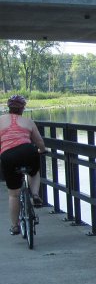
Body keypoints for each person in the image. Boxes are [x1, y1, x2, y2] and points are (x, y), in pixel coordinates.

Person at [0, 95, 46, 235]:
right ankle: (36, 194)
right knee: (34, 171)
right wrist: (42, 151)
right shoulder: (28, 121)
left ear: (9, 108)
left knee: (13, 194)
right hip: (28, 151)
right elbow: (39, 142)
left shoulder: (1, 120)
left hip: (8, 155)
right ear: (22, 108)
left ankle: (15, 226)